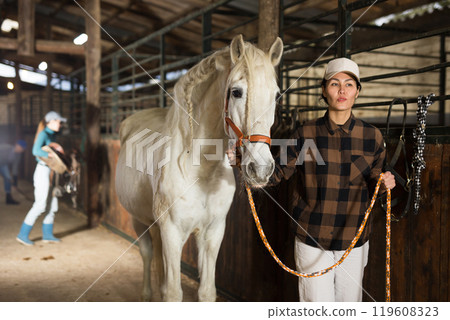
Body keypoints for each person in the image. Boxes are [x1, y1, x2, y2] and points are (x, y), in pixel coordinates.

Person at [228, 58, 395, 302]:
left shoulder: (372, 136)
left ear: (357, 91)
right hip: (312, 241)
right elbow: (277, 174)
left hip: (354, 242)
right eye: (335, 83)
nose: (342, 90)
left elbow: (374, 185)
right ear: (324, 90)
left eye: (349, 84)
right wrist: (241, 160)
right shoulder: (305, 133)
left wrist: (384, 185)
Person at [16, 111, 67, 246]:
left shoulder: (51, 134)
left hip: (50, 171)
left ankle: (48, 235)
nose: (60, 124)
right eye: (58, 122)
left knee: (52, 205)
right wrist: (51, 155)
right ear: (51, 121)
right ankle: (22, 234)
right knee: (40, 205)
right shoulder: (44, 134)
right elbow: (35, 151)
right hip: (42, 171)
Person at [0, 140, 27, 205]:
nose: (21, 150)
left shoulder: (18, 155)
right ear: (17, 145)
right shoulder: (6, 147)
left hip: (3, 164)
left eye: (22, 149)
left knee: (8, 178)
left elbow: (15, 168)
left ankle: (8, 198)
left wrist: (15, 182)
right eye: (21, 148)